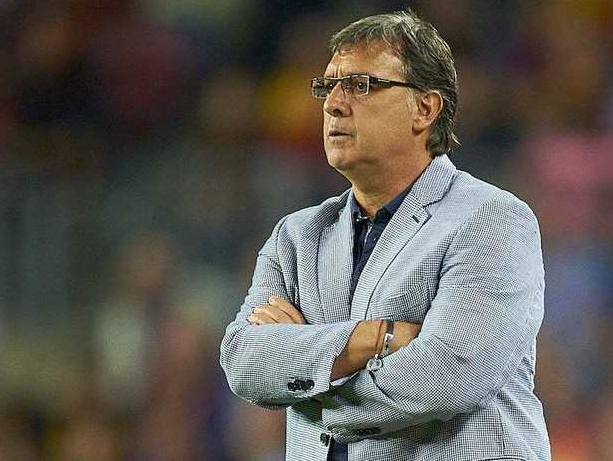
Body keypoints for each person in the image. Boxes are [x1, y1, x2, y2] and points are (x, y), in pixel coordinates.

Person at [219, 10, 550, 461]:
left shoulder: (490, 219)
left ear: (424, 109)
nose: (333, 104)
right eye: (328, 86)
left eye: (360, 85)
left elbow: (447, 376)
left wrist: (307, 380)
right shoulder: (296, 236)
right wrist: (377, 338)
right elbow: (243, 362)